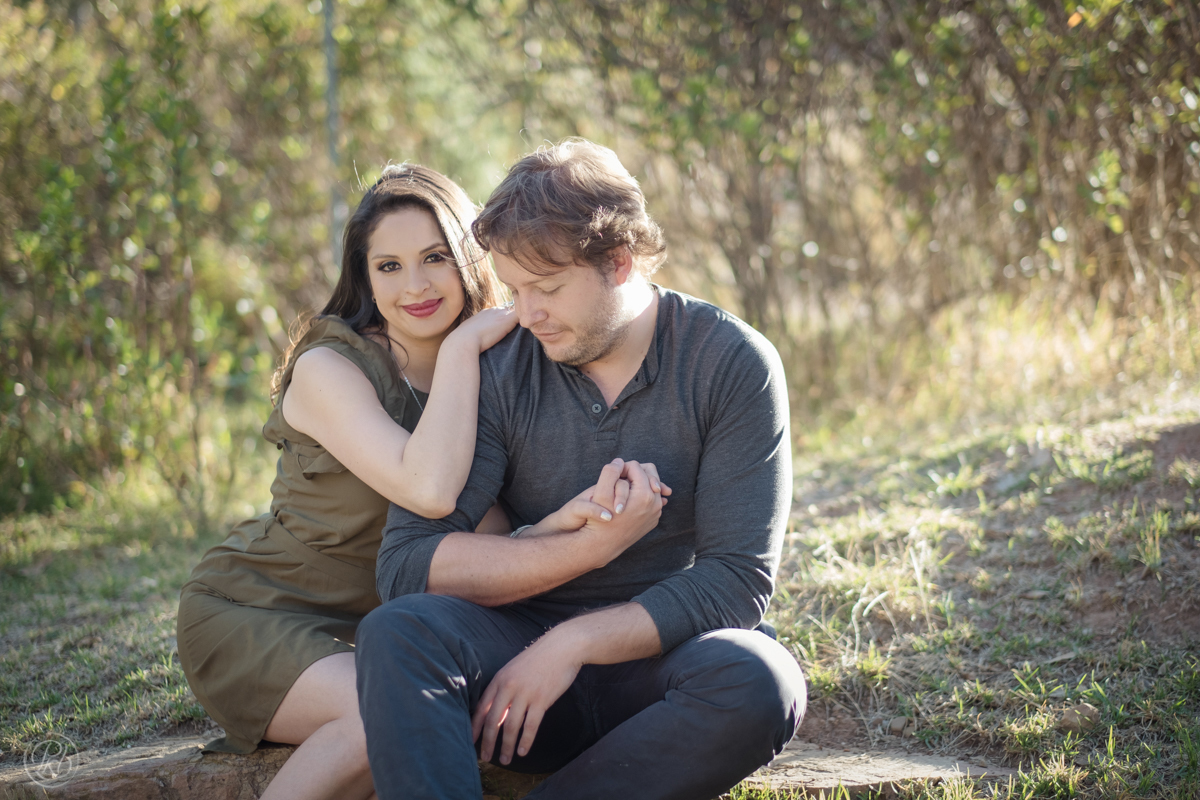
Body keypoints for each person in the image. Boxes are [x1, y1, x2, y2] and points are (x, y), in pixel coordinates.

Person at [356, 139, 806, 800]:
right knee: (397, 634)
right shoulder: (502, 366)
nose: (526, 311)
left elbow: (735, 584)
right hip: (511, 683)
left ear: (619, 263)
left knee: (761, 678)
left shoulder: (731, 362)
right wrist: (585, 552)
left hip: (655, 668)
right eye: (514, 289)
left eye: (548, 287)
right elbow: (407, 566)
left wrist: (568, 646)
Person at [176, 164, 515, 800]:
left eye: (434, 258)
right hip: (256, 610)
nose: (414, 285)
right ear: (363, 275)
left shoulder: (501, 363)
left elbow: (489, 528)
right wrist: (466, 348)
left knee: (416, 707)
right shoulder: (330, 367)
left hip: (381, 632)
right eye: (388, 266)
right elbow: (432, 492)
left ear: (469, 258)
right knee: (383, 717)